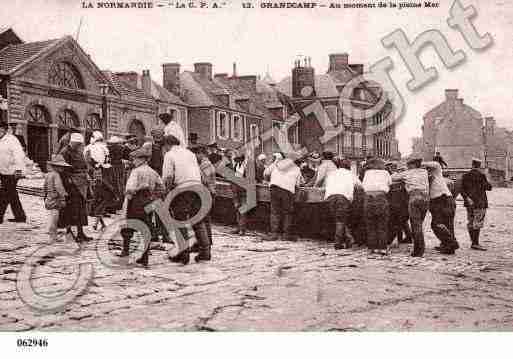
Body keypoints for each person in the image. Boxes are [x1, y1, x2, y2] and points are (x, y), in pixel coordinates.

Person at [162, 135, 210, 264]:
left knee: (180, 221)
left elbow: (168, 176)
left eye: (164, 146)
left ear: (168, 145)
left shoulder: (169, 155)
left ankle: (183, 254)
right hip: (197, 188)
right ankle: (205, 252)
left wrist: (167, 192)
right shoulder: (190, 153)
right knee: (198, 221)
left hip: (182, 190)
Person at [120, 145, 164, 268]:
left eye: (135, 159)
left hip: (135, 201)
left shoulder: (136, 172)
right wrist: (153, 196)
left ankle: (125, 251)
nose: (133, 161)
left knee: (128, 226)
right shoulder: (153, 172)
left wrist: (127, 199)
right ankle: (144, 258)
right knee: (146, 228)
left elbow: (130, 189)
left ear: (142, 159)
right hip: (149, 202)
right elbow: (161, 187)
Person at [391, 157, 430, 257]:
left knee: (415, 225)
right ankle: (421, 246)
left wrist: (397, 172)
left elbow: (393, 178)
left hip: (414, 197)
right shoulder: (424, 172)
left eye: (408, 165)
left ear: (412, 165)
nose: (407, 166)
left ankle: (418, 250)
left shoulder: (408, 173)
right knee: (419, 224)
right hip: (426, 198)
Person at [58, 133, 91, 242]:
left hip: (81, 183)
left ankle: (81, 233)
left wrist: (87, 174)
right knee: (70, 209)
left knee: (81, 210)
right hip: (71, 184)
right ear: (72, 142)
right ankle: (69, 232)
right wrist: (68, 181)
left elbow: (84, 165)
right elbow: (62, 169)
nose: (79, 146)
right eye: (77, 144)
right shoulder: (64, 152)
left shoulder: (79, 151)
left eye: (80, 144)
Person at [263, 152, 304, 241]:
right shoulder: (296, 169)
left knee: (275, 212)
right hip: (287, 190)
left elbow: (266, 174)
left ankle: (274, 234)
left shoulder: (277, 164)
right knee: (287, 213)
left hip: (274, 188)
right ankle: (286, 235)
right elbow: (298, 184)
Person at [423, 160, 459, 254]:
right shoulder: (428, 178)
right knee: (447, 225)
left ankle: (451, 243)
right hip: (445, 200)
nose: (427, 171)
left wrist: (417, 165)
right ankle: (448, 247)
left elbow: (436, 164)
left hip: (442, 199)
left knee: (436, 224)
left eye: (428, 169)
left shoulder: (437, 172)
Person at [324, 158, 361, 250]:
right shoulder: (350, 174)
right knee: (341, 220)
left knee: (339, 219)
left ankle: (349, 239)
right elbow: (360, 185)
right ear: (348, 167)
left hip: (330, 198)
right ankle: (338, 243)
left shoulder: (332, 173)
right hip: (342, 198)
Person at [84, 131, 115, 231]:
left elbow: (87, 162)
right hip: (102, 176)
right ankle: (97, 220)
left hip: (93, 176)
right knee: (105, 198)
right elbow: (107, 163)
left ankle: (98, 222)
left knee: (98, 198)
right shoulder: (104, 148)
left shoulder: (88, 148)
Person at [461, 158, 492, 251]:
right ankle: (475, 243)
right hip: (480, 202)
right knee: (477, 223)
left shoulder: (465, 175)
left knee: (470, 222)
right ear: (479, 166)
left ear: (472, 165)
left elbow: (462, 189)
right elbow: (489, 187)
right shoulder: (481, 175)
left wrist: (466, 198)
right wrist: (487, 178)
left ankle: (473, 242)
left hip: (469, 203)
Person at [362, 158, 392, 256]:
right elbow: (390, 184)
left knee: (370, 224)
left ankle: (371, 248)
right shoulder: (385, 173)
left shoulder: (367, 173)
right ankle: (382, 248)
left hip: (368, 198)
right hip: (380, 197)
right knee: (382, 223)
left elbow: (363, 186)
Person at [0, 120, 26, 224]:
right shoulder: (0, 140)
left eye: (1, 129)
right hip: (2, 170)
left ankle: (0, 216)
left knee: (4, 194)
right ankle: (20, 216)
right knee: (12, 194)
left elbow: (19, 155)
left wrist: (18, 170)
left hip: (12, 172)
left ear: (5, 130)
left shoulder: (12, 140)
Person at [192, 145, 217, 246]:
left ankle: (204, 242)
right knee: (206, 218)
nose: (194, 156)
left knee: (203, 218)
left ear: (200, 153)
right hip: (209, 192)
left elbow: (205, 180)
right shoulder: (206, 164)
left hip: (206, 192)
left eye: (196, 154)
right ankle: (208, 241)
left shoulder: (205, 165)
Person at [43, 154, 71, 241]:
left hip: (49, 199)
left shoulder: (47, 175)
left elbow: (44, 186)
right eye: (61, 167)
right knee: (54, 219)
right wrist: (65, 194)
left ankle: (52, 235)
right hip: (56, 200)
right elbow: (58, 187)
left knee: (51, 217)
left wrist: (46, 195)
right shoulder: (56, 175)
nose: (62, 169)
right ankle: (53, 236)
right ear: (56, 167)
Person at [107, 136, 129, 212]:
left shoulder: (109, 148)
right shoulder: (122, 148)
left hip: (112, 167)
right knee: (120, 185)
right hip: (120, 167)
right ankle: (119, 204)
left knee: (113, 185)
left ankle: (113, 205)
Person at [228, 152, 248, 235]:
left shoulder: (246, 167)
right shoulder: (236, 166)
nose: (238, 161)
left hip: (244, 190)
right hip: (237, 189)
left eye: (239, 160)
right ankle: (239, 227)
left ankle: (242, 229)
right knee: (237, 208)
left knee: (242, 210)